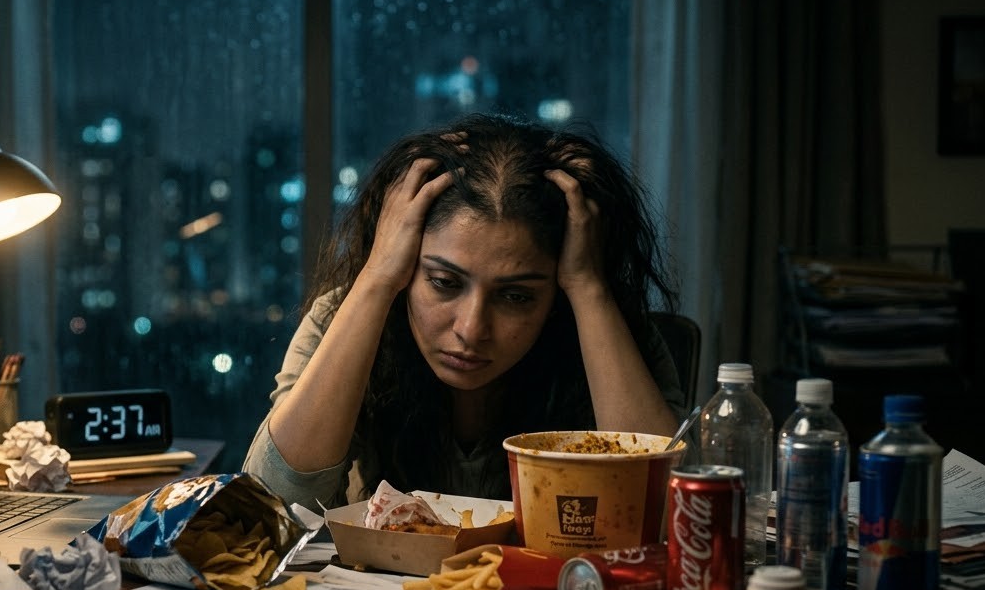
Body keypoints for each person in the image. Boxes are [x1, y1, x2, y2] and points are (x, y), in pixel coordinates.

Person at [241, 112, 685, 510]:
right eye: (444, 283)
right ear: (407, 262)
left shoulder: (605, 323)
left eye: (516, 296)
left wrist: (588, 290)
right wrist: (375, 278)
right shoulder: (346, 312)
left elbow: (669, 510)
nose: (472, 329)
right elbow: (267, 505)